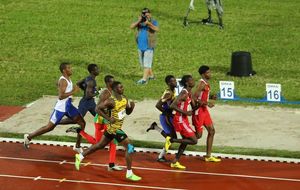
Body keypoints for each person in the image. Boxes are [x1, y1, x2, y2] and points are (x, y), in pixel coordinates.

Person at [74, 81, 141, 181]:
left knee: (99, 145)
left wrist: (132, 107)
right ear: (114, 90)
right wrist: (108, 119)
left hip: (116, 128)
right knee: (130, 147)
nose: (122, 89)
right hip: (114, 128)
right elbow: (97, 109)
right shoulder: (111, 101)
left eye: (122, 87)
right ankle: (129, 173)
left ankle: (80, 156)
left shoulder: (124, 98)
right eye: (120, 88)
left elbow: (127, 112)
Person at [23, 62, 85, 150]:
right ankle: (28, 137)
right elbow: (61, 96)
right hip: (61, 108)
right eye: (69, 68)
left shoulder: (66, 79)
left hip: (68, 106)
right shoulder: (63, 80)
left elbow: (58, 84)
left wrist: (68, 94)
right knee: (49, 127)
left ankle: (77, 146)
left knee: (82, 123)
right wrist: (73, 92)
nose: (71, 69)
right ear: (64, 70)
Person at [66, 75, 123, 171]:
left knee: (113, 141)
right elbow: (97, 108)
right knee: (99, 143)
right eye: (113, 82)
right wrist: (108, 118)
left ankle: (111, 164)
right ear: (108, 83)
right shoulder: (105, 93)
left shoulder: (112, 93)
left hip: (107, 120)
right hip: (100, 120)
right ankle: (80, 131)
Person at [192, 65, 221, 162]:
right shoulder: (201, 84)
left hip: (204, 111)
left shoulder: (206, 83)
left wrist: (211, 97)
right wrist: (207, 103)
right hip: (199, 112)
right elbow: (194, 98)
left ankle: (208, 156)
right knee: (198, 136)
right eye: (208, 72)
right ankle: (178, 141)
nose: (210, 74)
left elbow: (203, 96)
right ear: (203, 74)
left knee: (212, 131)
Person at [146, 75, 177, 162]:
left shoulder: (172, 91)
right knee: (171, 138)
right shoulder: (168, 93)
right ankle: (160, 157)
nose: (175, 82)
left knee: (172, 138)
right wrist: (167, 113)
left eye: (175, 80)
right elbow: (158, 105)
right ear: (168, 83)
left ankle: (155, 127)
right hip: (166, 117)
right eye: (173, 81)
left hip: (169, 117)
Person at [130, 8, 159, 85]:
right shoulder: (139, 22)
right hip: (140, 45)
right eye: (144, 14)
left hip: (149, 46)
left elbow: (156, 29)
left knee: (146, 64)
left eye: (147, 14)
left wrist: (148, 23)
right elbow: (131, 26)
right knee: (143, 63)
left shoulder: (153, 21)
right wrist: (139, 21)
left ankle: (144, 80)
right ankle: (151, 76)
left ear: (150, 14)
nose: (146, 16)